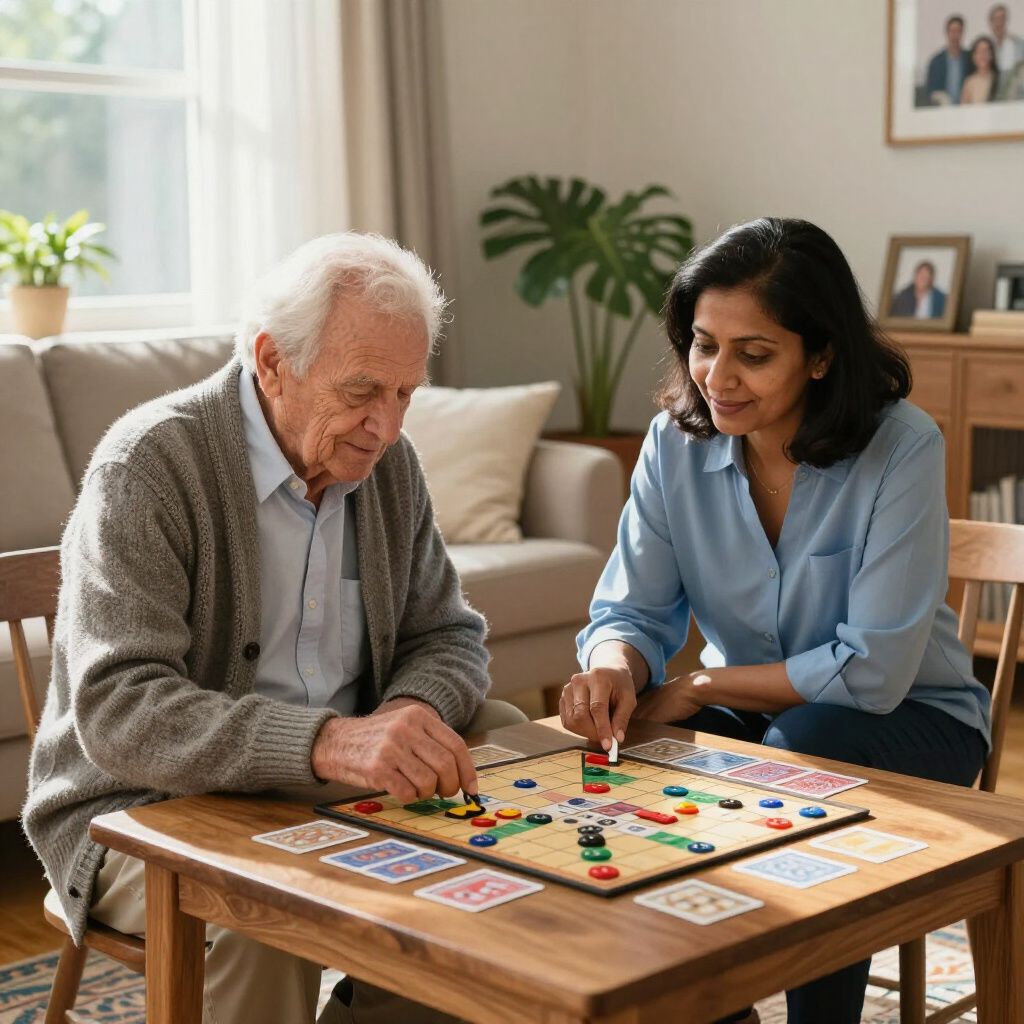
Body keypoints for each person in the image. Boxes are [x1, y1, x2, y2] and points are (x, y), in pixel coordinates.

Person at [24, 232, 525, 1024]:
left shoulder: (388, 468)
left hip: (325, 777)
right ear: (271, 360)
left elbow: (448, 635)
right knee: (267, 912)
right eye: (363, 390)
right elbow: (121, 711)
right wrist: (332, 742)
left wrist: (408, 714)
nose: (386, 427)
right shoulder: (149, 466)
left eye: (405, 393)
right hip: (147, 801)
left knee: (496, 741)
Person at [559, 218, 990, 1024]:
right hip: (765, 720)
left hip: (914, 723)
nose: (718, 377)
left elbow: (871, 671)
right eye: (703, 344)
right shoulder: (671, 446)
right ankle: (710, 1009)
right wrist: (615, 667)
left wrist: (698, 684)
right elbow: (631, 609)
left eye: (753, 354)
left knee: (805, 750)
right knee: (652, 752)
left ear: (820, 355)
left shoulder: (902, 447)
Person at [924, 14, 971, 105]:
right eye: (952, 31)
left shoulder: (969, 58)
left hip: (966, 110)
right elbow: (930, 91)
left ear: (962, 33)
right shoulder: (936, 62)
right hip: (942, 111)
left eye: (958, 31)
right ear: (946, 33)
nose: (955, 35)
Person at [989, 3, 1024, 95]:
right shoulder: (987, 46)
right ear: (991, 21)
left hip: (1015, 96)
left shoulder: (1018, 44)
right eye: (996, 19)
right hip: (993, 97)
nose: (999, 23)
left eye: (1002, 19)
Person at [961, 35, 1000, 102]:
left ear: (992, 55)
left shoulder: (1000, 79)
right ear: (973, 57)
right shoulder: (969, 83)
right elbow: (964, 110)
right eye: (978, 52)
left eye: (986, 51)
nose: (982, 55)